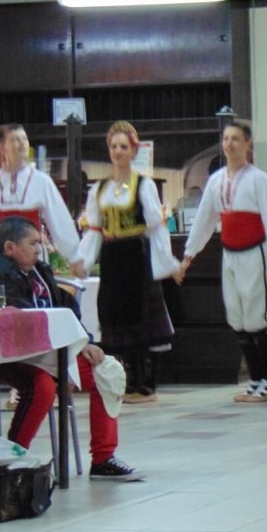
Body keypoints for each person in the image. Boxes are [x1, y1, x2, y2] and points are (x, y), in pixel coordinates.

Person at [0, 216, 143, 480]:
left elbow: (66, 308)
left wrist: (85, 341)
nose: (38, 249)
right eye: (32, 243)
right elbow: (20, 319)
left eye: (39, 243)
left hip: (52, 349)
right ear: (9, 248)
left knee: (106, 371)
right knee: (42, 387)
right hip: (12, 354)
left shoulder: (39, 269)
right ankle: (13, 457)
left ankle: (103, 459)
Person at [181, 123, 267, 403]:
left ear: (248, 145)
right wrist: (189, 254)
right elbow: (205, 218)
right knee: (237, 317)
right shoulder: (216, 180)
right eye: (226, 139)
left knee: (257, 316)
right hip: (230, 255)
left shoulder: (259, 180)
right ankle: (255, 379)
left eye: (236, 139)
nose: (230, 144)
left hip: (255, 253)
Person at [78, 121, 181, 404]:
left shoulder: (143, 185)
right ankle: (127, 380)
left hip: (137, 255)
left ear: (133, 151)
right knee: (115, 316)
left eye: (124, 146)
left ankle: (145, 384)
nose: (118, 151)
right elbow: (94, 230)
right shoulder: (100, 189)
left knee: (141, 317)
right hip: (113, 258)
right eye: (114, 146)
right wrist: (82, 261)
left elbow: (156, 228)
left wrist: (167, 263)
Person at [0, 123, 85, 277]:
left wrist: (74, 256)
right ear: (2, 147)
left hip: (34, 259)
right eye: (15, 140)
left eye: (24, 139)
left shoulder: (41, 180)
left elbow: (60, 221)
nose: (22, 144)